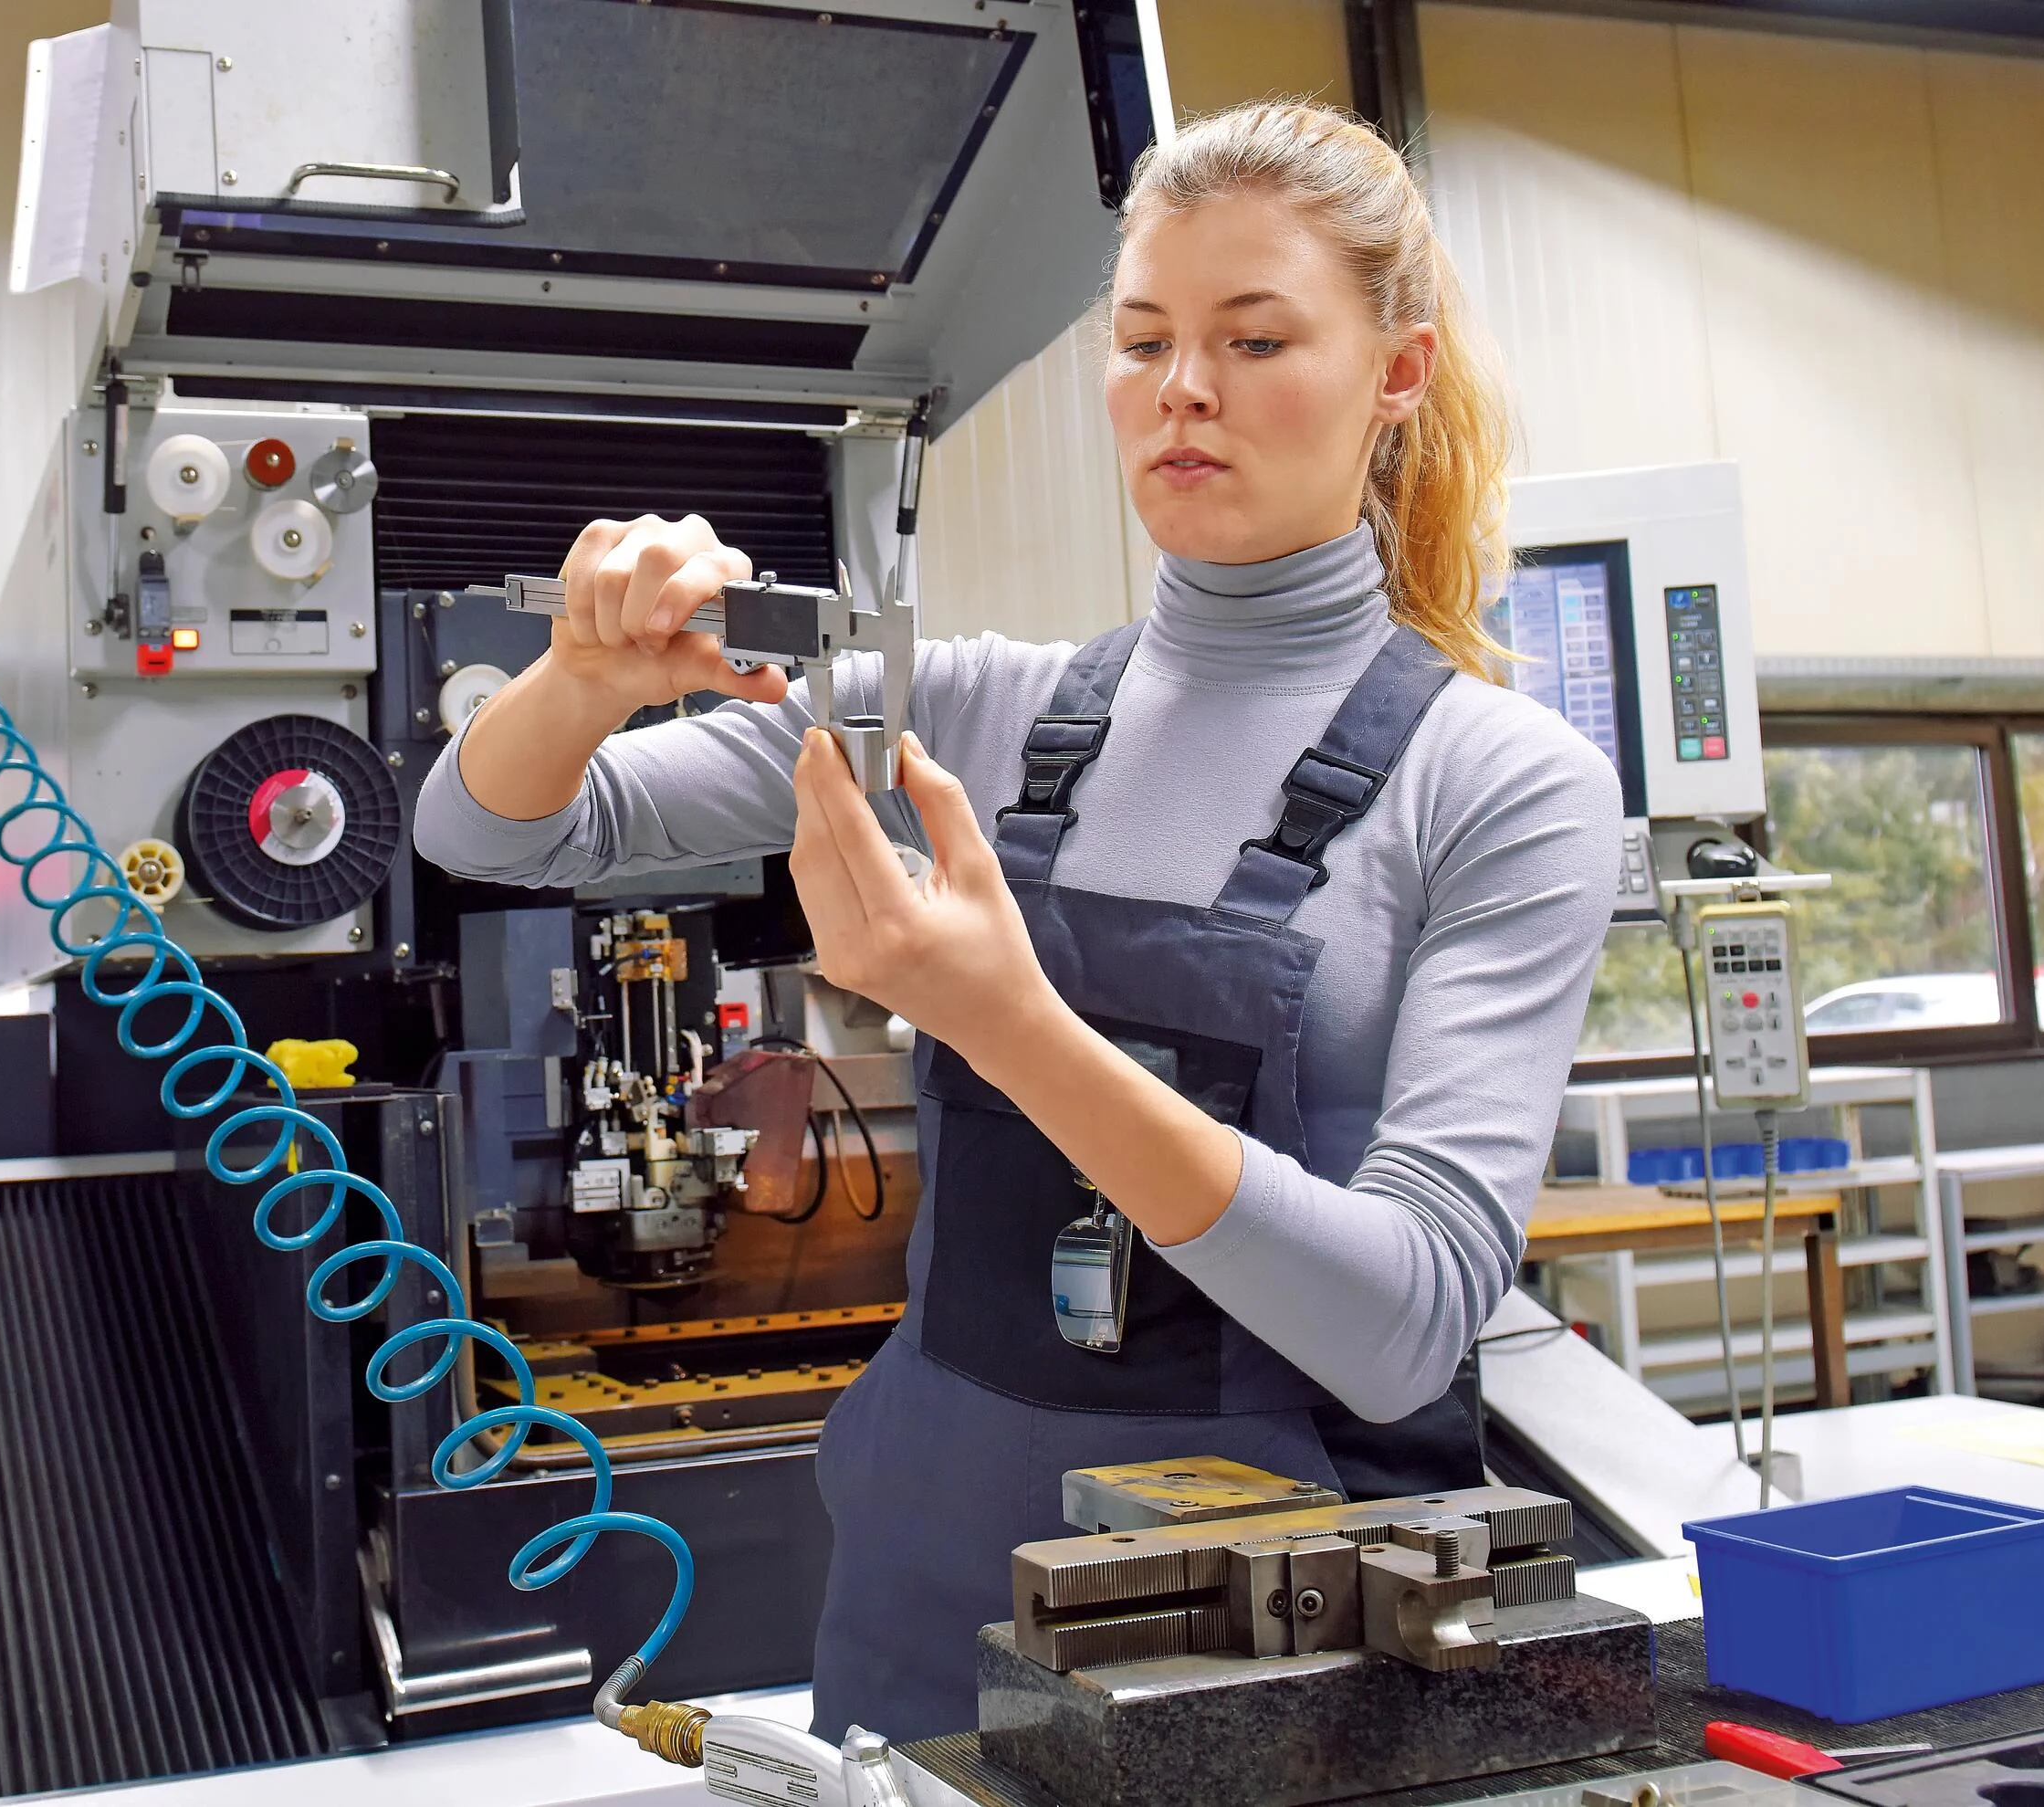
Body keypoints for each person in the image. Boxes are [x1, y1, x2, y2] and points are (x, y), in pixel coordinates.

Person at [414, 100, 1622, 1741]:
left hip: (1283, 1636)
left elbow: (1407, 1319)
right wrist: (583, 674)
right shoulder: (975, 709)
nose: (1183, 389)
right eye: (1142, 342)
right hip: (927, 1593)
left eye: (1256, 338)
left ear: (1395, 375)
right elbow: (494, 828)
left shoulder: (1500, 781)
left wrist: (1002, 1019)